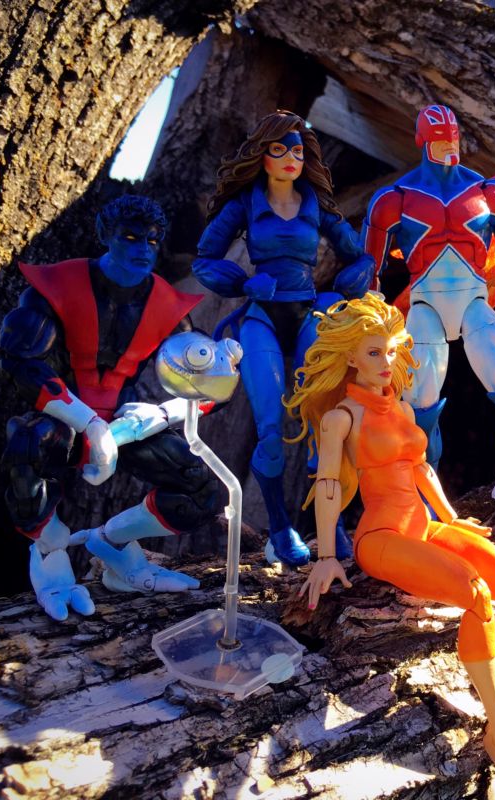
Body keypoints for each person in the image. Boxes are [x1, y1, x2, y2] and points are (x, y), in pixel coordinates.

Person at [286, 294, 495, 800]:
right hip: (380, 539)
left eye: (390, 350)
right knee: (475, 595)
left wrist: (451, 519)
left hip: (423, 527)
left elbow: (422, 468)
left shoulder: (402, 406)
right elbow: (328, 484)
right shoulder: (342, 416)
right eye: (373, 353)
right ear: (349, 357)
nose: (386, 362)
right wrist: (326, 556)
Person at [0, 195, 219, 620]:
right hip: (62, 418)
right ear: (105, 235)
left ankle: (114, 544)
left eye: (152, 240)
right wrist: (87, 423)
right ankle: (50, 557)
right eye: (131, 238)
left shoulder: (166, 305)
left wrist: (158, 415)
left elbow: (211, 384)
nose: (143, 249)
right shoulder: (58, 285)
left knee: (201, 492)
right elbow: (18, 360)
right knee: (27, 444)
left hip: (125, 423)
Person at [362, 104, 495, 537]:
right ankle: (422, 506)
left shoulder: (489, 194)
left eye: (453, 136)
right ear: (422, 141)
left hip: (474, 302)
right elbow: (368, 273)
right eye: (440, 138)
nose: (449, 145)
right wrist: (369, 329)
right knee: (418, 407)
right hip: (425, 308)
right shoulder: (394, 201)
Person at [194, 110, 374, 566]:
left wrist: (349, 284)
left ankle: (332, 527)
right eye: (279, 149)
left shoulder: (315, 204)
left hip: (309, 314)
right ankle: (279, 528)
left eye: (297, 150)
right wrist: (243, 282)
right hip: (262, 318)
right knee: (271, 432)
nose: (291, 158)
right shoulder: (244, 204)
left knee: (325, 429)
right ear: (262, 155)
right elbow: (204, 260)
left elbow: (359, 257)